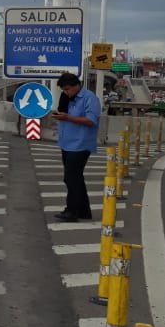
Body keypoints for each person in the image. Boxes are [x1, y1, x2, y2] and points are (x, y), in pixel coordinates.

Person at [52, 72, 102, 222]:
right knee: (76, 179)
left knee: (71, 178)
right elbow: (64, 112)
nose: (66, 92)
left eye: (68, 89)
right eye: (63, 90)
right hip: (66, 143)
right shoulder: (67, 97)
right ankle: (84, 211)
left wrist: (68, 118)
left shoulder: (89, 98)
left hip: (80, 144)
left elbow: (91, 120)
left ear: (77, 86)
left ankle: (72, 210)